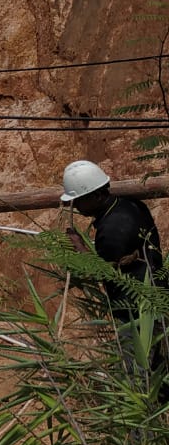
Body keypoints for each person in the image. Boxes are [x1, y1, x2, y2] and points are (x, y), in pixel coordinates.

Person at [60, 160, 165, 375]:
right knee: (159, 361)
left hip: (136, 309)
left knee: (137, 368)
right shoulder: (130, 205)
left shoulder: (112, 229)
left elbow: (101, 272)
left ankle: (143, 403)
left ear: (97, 196)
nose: (76, 207)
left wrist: (79, 245)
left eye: (79, 200)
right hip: (158, 294)